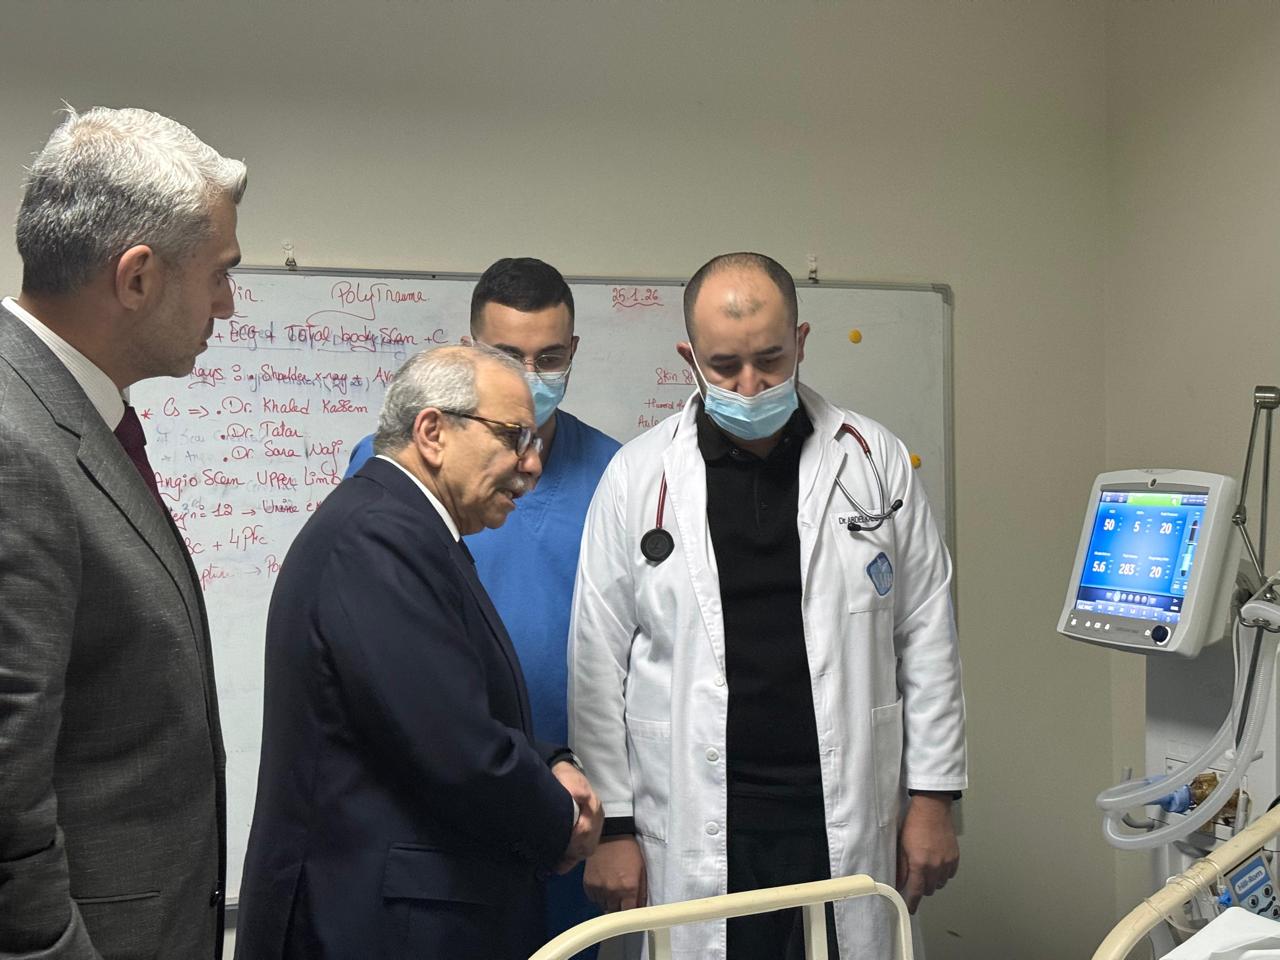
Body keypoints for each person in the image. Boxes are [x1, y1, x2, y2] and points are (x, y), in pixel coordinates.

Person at [568, 252, 967, 959]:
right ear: (690, 359)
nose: (749, 386)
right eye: (724, 367)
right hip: (694, 811)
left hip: (843, 806)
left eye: (770, 360)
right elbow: (597, 666)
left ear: (801, 342)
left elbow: (927, 634)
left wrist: (934, 800)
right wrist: (616, 830)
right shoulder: (637, 478)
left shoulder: (874, 461)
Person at [236, 344, 604, 959]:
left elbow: (446, 707)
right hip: (379, 927)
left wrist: (552, 760)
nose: (532, 464)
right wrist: (561, 820)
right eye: (514, 437)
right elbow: (452, 745)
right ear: (433, 432)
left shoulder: (406, 527)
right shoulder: (379, 535)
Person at [0, 107, 245, 959]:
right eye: (219, 275)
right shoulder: (14, 444)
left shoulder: (63, 412)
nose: (227, 305)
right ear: (137, 278)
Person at [345, 257, 620, 952]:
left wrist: (619, 825)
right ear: (468, 351)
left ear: (573, 351)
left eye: (549, 358)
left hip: (573, 805)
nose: (531, 375)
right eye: (506, 356)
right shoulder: (396, 476)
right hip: (439, 809)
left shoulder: (619, 476)